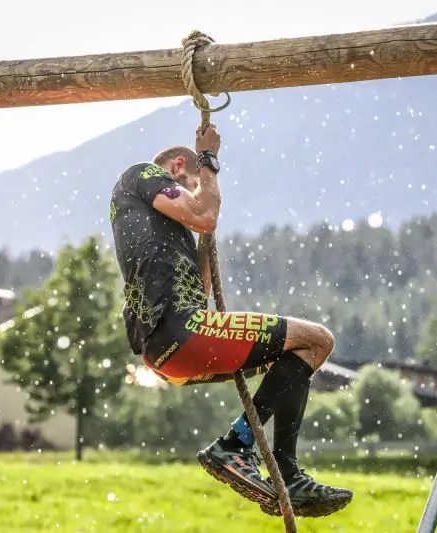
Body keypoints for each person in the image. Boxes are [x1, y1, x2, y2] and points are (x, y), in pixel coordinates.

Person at [109, 122, 353, 518]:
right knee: (318, 340)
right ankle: (240, 448)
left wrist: (204, 237)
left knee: (295, 357)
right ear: (177, 167)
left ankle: (282, 471)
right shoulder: (142, 175)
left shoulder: (166, 231)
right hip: (179, 331)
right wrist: (208, 159)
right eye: (193, 183)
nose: (199, 189)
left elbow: (200, 291)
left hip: (168, 351)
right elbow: (204, 213)